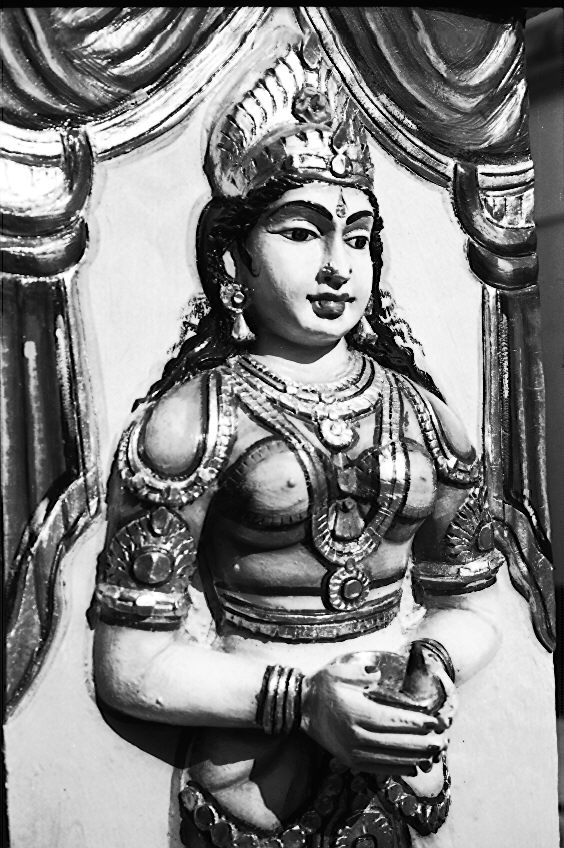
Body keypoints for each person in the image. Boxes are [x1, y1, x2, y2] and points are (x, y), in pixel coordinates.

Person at [92, 32, 503, 848]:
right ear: (233, 262)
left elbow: (469, 604)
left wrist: (431, 662)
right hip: (251, 789)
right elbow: (129, 663)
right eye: (302, 233)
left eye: (359, 235)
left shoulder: (428, 420)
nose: (338, 266)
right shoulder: (190, 426)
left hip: (398, 777)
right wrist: (305, 701)